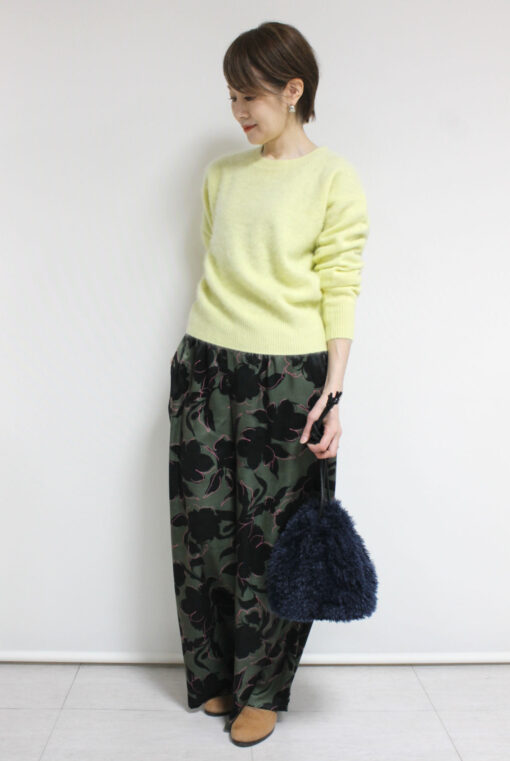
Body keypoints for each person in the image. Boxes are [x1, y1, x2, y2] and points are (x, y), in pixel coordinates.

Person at [168, 20, 370, 748]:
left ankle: (263, 689)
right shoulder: (222, 175)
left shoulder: (334, 178)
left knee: (273, 541)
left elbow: (339, 285)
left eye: (249, 96)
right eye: (231, 96)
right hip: (205, 365)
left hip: (289, 377)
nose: (239, 112)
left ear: (293, 90)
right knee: (204, 532)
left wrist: (333, 393)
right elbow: (218, 262)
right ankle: (217, 673)